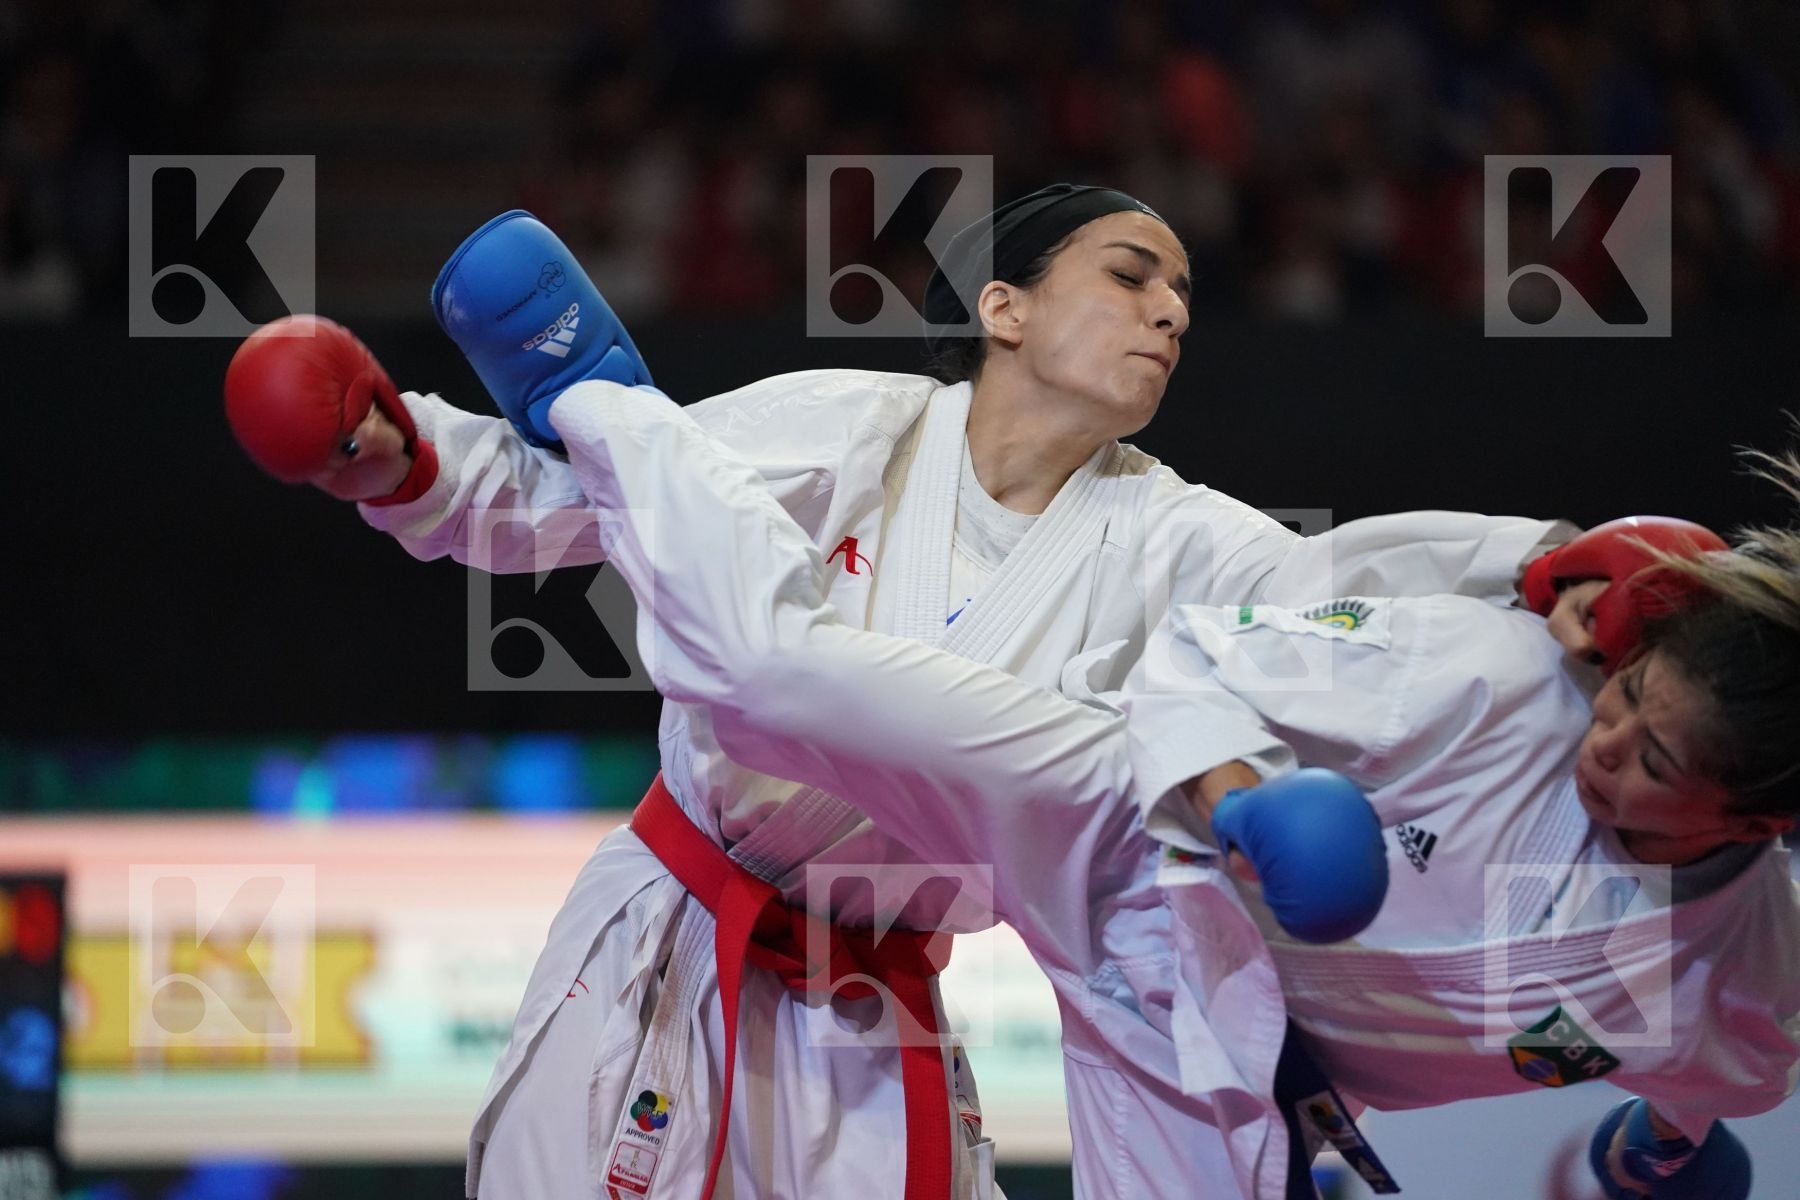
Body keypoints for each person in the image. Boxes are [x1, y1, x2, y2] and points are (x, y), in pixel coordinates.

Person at [223, 193, 1579, 1200]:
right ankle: (581, 396)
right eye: (1128, 274)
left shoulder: (1190, 542)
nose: (1171, 309)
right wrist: (401, 457)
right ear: (1005, 309)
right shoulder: (857, 427)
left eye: (1180, 293)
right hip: (671, 935)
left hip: (884, 1003)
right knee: (643, 467)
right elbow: (595, 499)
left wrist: (1542, 565)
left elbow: (1348, 606)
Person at [515, 375, 1800, 1200]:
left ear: (1756, 824)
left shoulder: (1746, 985)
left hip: (1220, 1044)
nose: (1608, 745)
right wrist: (1244, 795)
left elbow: (1701, 1091)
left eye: (1656, 763)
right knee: (775, 678)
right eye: (1626, 700)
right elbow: (1196, 646)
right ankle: (616, 412)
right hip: (1127, 819)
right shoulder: (1499, 678)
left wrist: (1664, 1157)